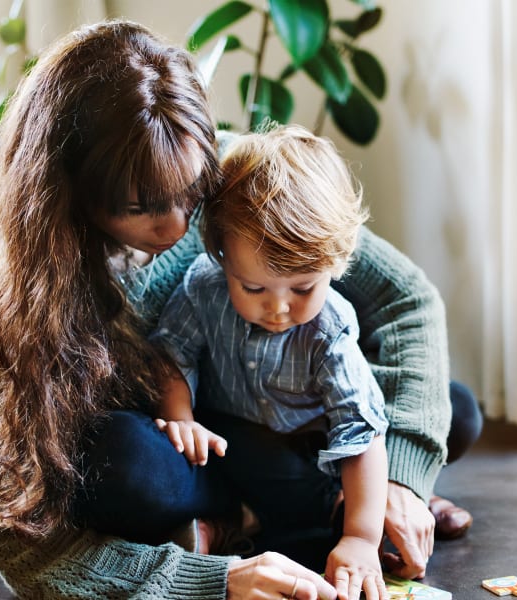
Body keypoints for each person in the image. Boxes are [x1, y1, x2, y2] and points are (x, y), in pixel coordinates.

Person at [0, 18, 479, 600]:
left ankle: (348, 502)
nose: (180, 225)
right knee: (118, 465)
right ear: (70, 189)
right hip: (196, 446)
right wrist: (213, 582)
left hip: (299, 413)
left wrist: (400, 480)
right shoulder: (32, 291)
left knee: (450, 408)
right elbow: (16, 539)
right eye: (143, 206)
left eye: (190, 192)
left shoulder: (233, 171)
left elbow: (406, 298)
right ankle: (255, 517)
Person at [150, 125, 389, 600]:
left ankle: (369, 509)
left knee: (448, 418)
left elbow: (360, 436)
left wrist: (361, 539)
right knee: (185, 455)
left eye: (303, 289)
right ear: (220, 257)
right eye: (253, 288)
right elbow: (170, 354)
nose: (278, 308)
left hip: (305, 450)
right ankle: (253, 518)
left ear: (336, 262)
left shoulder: (330, 329)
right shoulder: (203, 286)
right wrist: (181, 419)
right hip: (228, 439)